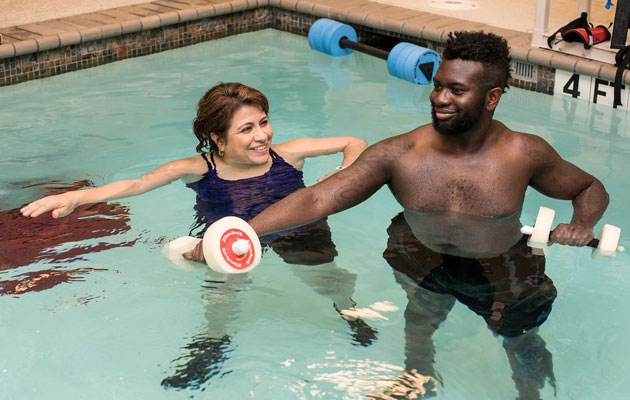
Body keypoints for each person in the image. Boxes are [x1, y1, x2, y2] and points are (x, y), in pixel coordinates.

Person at [240, 32, 609, 398]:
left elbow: (588, 188)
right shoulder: (401, 153)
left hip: (500, 265)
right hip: (424, 254)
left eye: (457, 90)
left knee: (519, 339)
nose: (439, 98)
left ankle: (530, 394)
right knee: (419, 316)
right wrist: (243, 234)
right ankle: (418, 379)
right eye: (437, 86)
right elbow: (318, 200)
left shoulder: (524, 153)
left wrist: (581, 224)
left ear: (492, 97)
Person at [20, 82, 376, 388]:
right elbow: (138, 183)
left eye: (264, 123)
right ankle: (213, 343)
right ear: (217, 139)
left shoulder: (289, 154)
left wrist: (343, 173)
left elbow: (354, 141)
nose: (262, 135)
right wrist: (75, 197)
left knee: (328, 278)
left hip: (297, 229)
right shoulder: (196, 169)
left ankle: (349, 311)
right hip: (224, 240)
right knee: (221, 296)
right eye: (246, 129)